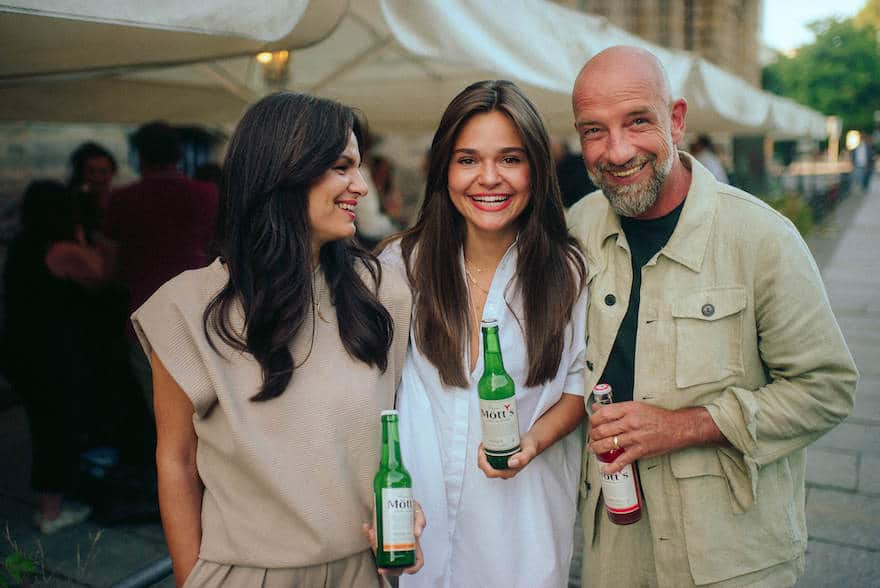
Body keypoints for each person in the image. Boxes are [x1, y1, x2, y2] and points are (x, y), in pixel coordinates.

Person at [566, 46, 858, 587]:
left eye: (637, 122)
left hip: (730, 557)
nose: (618, 149)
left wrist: (684, 425)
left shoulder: (762, 238)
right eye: (594, 131)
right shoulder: (576, 229)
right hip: (614, 554)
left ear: (676, 120)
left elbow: (827, 388)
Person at [131, 93, 423, 587]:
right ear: (282, 170)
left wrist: (408, 509)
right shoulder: (186, 307)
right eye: (341, 166)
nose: (361, 185)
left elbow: (396, 433)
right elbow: (175, 461)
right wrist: (190, 578)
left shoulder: (382, 292)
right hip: (245, 574)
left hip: (365, 572)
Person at [380, 80, 588, 587]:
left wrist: (533, 441)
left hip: (521, 533)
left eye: (510, 159)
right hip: (417, 533)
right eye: (468, 159)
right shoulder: (399, 267)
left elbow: (580, 387)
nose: (488, 178)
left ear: (537, 169)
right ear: (443, 169)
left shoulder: (569, 272)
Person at [2, 180, 104, 533]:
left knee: (45, 424)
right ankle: (51, 511)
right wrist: (81, 238)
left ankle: (52, 502)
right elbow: (98, 276)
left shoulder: (22, 245)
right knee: (56, 428)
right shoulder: (62, 250)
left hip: (22, 349)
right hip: (51, 352)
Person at [104, 122, 218, 407]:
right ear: (178, 154)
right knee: (206, 411)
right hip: (201, 314)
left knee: (160, 412)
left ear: (139, 155)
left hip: (144, 315)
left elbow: (111, 267)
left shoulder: (122, 199)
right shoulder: (207, 195)